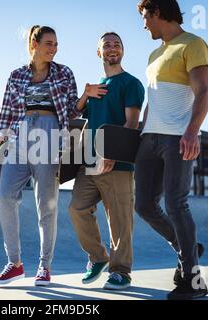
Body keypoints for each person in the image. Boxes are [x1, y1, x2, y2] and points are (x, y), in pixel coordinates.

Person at [0, 25, 105, 286]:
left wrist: (85, 95)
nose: (54, 48)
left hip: (50, 135)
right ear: (34, 44)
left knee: (46, 205)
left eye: (56, 44)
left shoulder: (64, 73)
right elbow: (5, 113)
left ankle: (44, 267)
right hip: (19, 136)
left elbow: (72, 111)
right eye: (49, 43)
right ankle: (14, 263)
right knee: (5, 196)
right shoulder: (17, 75)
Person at [135, 0, 208, 299]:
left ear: (157, 13)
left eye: (145, 18)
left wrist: (193, 130)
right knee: (144, 205)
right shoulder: (154, 54)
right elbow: (152, 99)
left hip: (177, 138)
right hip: (149, 138)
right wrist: (140, 130)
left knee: (176, 205)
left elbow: (203, 91)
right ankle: (188, 247)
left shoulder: (193, 44)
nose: (144, 25)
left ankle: (193, 281)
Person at [69, 32, 144, 290]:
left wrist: (113, 152)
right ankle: (98, 257)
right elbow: (72, 114)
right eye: (106, 45)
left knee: (120, 221)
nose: (112, 48)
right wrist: (85, 94)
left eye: (117, 44)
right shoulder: (97, 87)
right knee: (77, 209)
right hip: (89, 163)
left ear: (122, 51)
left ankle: (121, 271)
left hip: (118, 164)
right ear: (98, 53)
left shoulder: (130, 83)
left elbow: (132, 122)